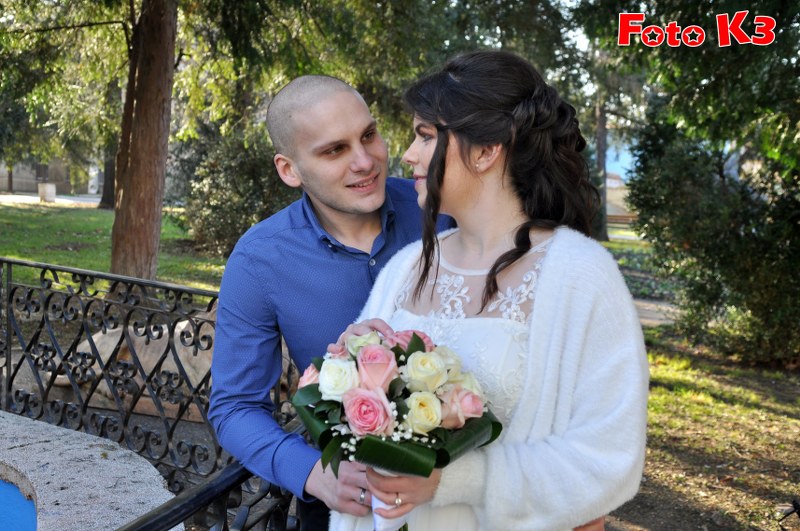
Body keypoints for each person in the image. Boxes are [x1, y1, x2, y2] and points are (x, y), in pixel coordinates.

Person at [329, 50, 649, 531]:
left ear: (486, 150)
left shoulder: (580, 275)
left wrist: (456, 480)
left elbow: (608, 460)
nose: (409, 155)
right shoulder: (406, 267)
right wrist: (350, 365)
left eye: (426, 136)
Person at [208, 75, 452, 530]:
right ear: (289, 170)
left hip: (464, 500)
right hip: (346, 508)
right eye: (335, 150)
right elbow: (235, 407)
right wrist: (313, 473)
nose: (365, 161)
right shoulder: (259, 259)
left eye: (368, 135)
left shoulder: (442, 211)